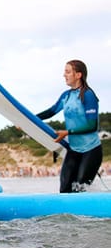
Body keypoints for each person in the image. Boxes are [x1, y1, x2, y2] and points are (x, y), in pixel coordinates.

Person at [37, 60, 101, 193]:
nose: (64, 75)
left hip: (91, 150)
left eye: (67, 72)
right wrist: (29, 119)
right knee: (65, 189)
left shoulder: (88, 95)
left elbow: (92, 126)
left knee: (80, 188)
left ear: (78, 75)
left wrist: (67, 132)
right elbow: (51, 112)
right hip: (74, 150)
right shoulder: (66, 95)